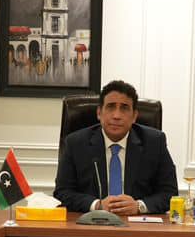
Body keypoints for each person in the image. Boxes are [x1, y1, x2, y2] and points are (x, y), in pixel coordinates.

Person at [53, 80, 178, 215]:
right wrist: (98, 205)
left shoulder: (154, 142)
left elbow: (170, 193)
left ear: (134, 116)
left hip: (137, 223)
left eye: (124, 108)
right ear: (99, 113)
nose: (116, 116)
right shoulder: (76, 143)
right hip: (92, 222)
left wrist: (139, 206)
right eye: (110, 107)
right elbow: (62, 193)